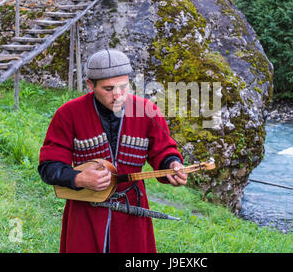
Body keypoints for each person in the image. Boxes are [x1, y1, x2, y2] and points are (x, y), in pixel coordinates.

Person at [38, 48, 188, 253]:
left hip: (132, 208)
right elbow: (49, 166)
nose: (117, 95)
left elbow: (163, 151)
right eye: (108, 89)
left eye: (124, 87)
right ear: (91, 85)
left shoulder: (147, 111)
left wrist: (172, 164)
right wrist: (79, 179)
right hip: (86, 210)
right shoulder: (68, 114)